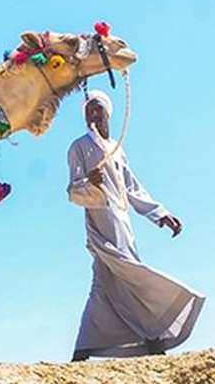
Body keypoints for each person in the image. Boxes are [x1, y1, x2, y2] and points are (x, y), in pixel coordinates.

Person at [65, 90, 203, 361]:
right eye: (88, 110)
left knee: (104, 285)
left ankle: (84, 350)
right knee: (130, 276)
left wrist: (160, 214)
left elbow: (132, 188)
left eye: (97, 109)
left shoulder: (117, 149)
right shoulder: (79, 147)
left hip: (122, 224)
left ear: (107, 113)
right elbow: (72, 191)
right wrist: (88, 184)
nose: (93, 114)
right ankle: (152, 339)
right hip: (100, 224)